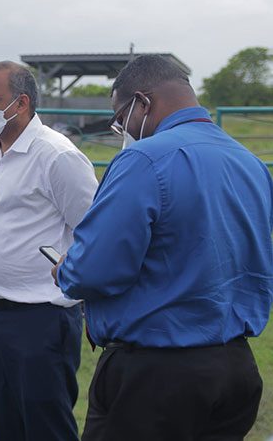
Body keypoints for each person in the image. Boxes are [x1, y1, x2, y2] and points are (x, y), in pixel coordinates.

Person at [54, 54, 273, 440]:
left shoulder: (143, 158)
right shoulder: (250, 163)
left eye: (120, 115)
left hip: (156, 375)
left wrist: (65, 270)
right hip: (235, 367)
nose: (119, 126)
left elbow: (97, 268)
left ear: (143, 102)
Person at [0, 61, 98, 440]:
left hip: (40, 319)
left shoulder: (57, 155)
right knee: (5, 423)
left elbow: (93, 231)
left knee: (44, 426)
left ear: (21, 103)